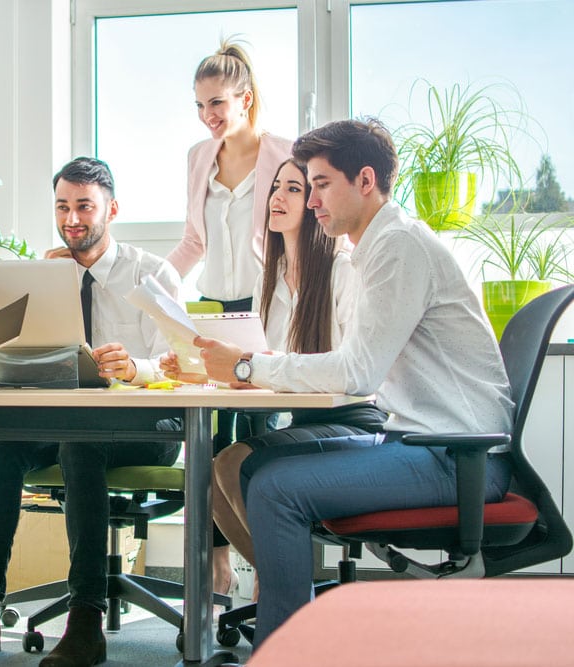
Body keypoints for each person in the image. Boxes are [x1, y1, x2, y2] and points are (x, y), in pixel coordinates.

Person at [168, 118, 514, 648]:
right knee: (252, 465)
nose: (311, 201)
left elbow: (357, 372)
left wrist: (246, 367)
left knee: (277, 487)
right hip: (419, 441)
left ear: (366, 180)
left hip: (458, 455)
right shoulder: (378, 246)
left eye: (321, 184)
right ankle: (298, 636)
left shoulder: (397, 248)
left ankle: (286, 650)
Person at [0, 157, 182, 667]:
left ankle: (85, 620)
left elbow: (179, 363)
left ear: (112, 210)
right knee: (5, 446)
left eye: (84, 207)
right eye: (62, 206)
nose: (72, 219)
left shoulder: (152, 271)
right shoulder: (48, 272)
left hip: (145, 424)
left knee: (80, 441)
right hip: (67, 416)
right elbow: (28, 354)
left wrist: (133, 366)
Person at [207, 158, 387, 584]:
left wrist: (257, 367)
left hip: (351, 422)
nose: (276, 197)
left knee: (233, 463)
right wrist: (217, 369)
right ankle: (284, 589)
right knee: (211, 475)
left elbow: (351, 371)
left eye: (292, 188)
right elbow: (263, 363)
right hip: (302, 421)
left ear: (314, 204)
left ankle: (282, 593)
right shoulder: (267, 280)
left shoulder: (342, 272)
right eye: (276, 187)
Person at [165, 39, 294, 594]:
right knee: (208, 437)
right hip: (214, 310)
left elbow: (295, 239)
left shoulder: (285, 153)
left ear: (246, 99)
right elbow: (194, 241)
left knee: (259, 436)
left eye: (216, 103)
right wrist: (155, 285)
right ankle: (217, 564)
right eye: (199, 106)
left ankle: (269, 564)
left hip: (265, 312)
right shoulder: (199, 157)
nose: (207, 116)